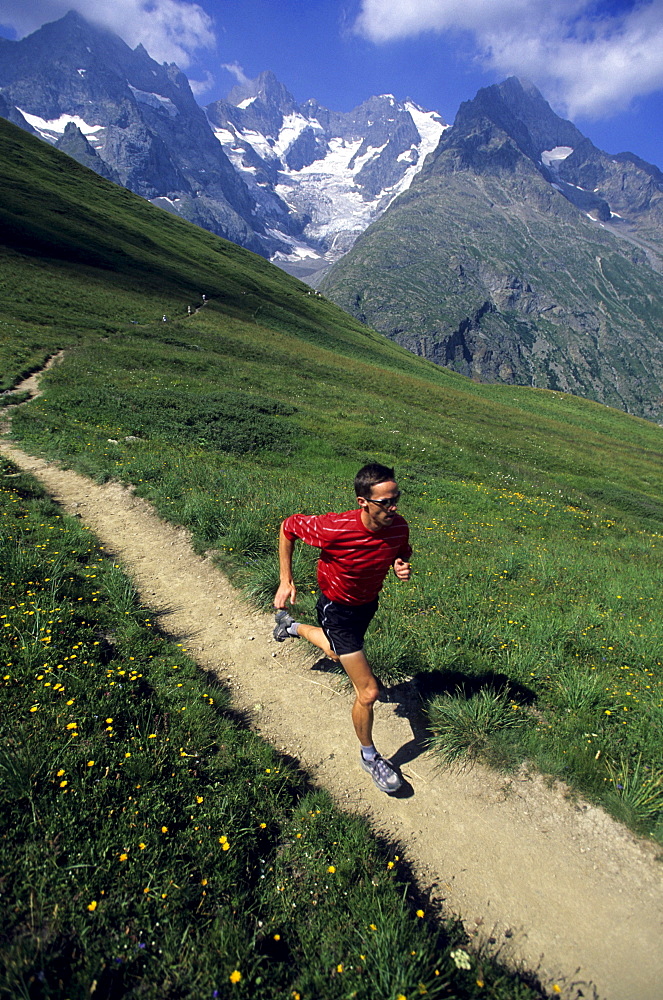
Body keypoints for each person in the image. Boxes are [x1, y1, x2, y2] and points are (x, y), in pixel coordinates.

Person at [273, 463, 412, 793]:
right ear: (363, 501)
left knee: (335, 652)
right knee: (369, 691)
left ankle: (290, 627)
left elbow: (400, 549)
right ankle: (370, 757)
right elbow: (288, 527)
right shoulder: (334, 527)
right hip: (337, 609)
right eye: (385, 502)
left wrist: (400, 564)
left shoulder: (397, 526)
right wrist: (285, 579)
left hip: (367, 605)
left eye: (396, 499)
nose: (393, 508)